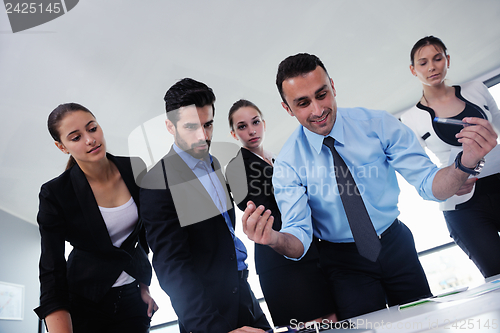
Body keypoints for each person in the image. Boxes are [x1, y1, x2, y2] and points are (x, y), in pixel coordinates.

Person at [241, 53, 498, 320]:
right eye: (303, 103)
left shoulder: (378, 125)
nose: (317, 110)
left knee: (425, 323)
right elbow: (299, 238)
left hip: (396, 244)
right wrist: (274, 239)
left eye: (322, 94)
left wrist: (465, 162)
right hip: (344, 263)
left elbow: (428, 184)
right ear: (288, 109)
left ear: (333, 86)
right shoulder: (288, 163)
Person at [139, 79, 270, 333]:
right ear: (170, 126)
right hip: (207, 315)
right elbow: (172, 268)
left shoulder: (213, 164)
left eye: (208, 124)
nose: (203, 135)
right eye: (191, 127)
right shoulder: (156, 182)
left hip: (244, 294)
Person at [35, 103, 157, 333]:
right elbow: (52, 268)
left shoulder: (134, 168)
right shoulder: (55, 193)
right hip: (84, 302)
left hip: (133, 300)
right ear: (62, 147)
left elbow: (142, 235)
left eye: (92, 129)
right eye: (76, 137)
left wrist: (144, 285)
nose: (90, 139)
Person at [226, 99, 336, 327]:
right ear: (233, 133)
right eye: (242, 126)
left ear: (264, 123)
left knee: (332, 321)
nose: (251, 130)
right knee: (309, 325)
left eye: (255, 122)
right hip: (278, 258)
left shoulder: (278, 158)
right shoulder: (237, 167)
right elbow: (262, 210)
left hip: (310, 250)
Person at [401, 36, 500, 278]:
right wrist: (448, 182)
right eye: (423, 63)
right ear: (413, 70)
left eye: (437, 59)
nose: (432, 67)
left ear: (447, 60)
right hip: (463, 205)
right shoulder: (410, 119)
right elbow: (421, 173)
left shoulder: (477, 89)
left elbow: (497, 130)